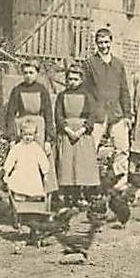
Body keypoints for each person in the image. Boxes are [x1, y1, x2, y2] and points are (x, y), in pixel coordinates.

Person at [81, 28, 132, 180]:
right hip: (97, 114)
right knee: (90, 150)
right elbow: (84, 90)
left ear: (111, 42)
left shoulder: (118, 64)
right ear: (96, 44)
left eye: (106, 42)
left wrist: (128, 114)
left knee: (122, 149)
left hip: (117, 114)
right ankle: (87, 182)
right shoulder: (89, 64)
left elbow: (124, 90)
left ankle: (120, 183)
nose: (103, 46)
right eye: (100, 43)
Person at [5, 58, 58, 193]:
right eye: (26, 73)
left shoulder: (42, 90)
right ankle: (21, 190)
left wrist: (48, 139)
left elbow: (48, 115)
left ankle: (43, 192)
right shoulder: (17, 90)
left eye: (31, 72)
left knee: (41, 159)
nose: (28, 75)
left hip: (39, 128)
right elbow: (10, 114)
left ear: (37, 73)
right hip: (22, 128)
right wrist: (11, 137)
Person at [54, 62, 100, 203]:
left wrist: (81, 130)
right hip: (67, 133)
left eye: (75, 79)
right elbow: (58, 115)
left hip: (82, 135)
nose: (72, 82)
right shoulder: (62, 96)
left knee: (82, 164)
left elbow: (92, 116)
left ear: (81, 80)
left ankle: (82, 195)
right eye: (70, 79)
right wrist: (67, 130)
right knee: (67, 164)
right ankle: (68, 195)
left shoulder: (87, 95)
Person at [2, 117, 51, 204]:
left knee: (34, 184)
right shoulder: (17, 147)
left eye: (30, 135)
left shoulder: (36, 148)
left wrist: (45, 173)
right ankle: (20, 195)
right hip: (20, 171)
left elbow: (42, 160)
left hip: (32, 173)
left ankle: (32, 197)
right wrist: (6, 172)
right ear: (21, 134)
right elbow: (11, 160)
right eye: (25, 135)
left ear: (35, 135)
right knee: (18, 183)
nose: (28, 137)